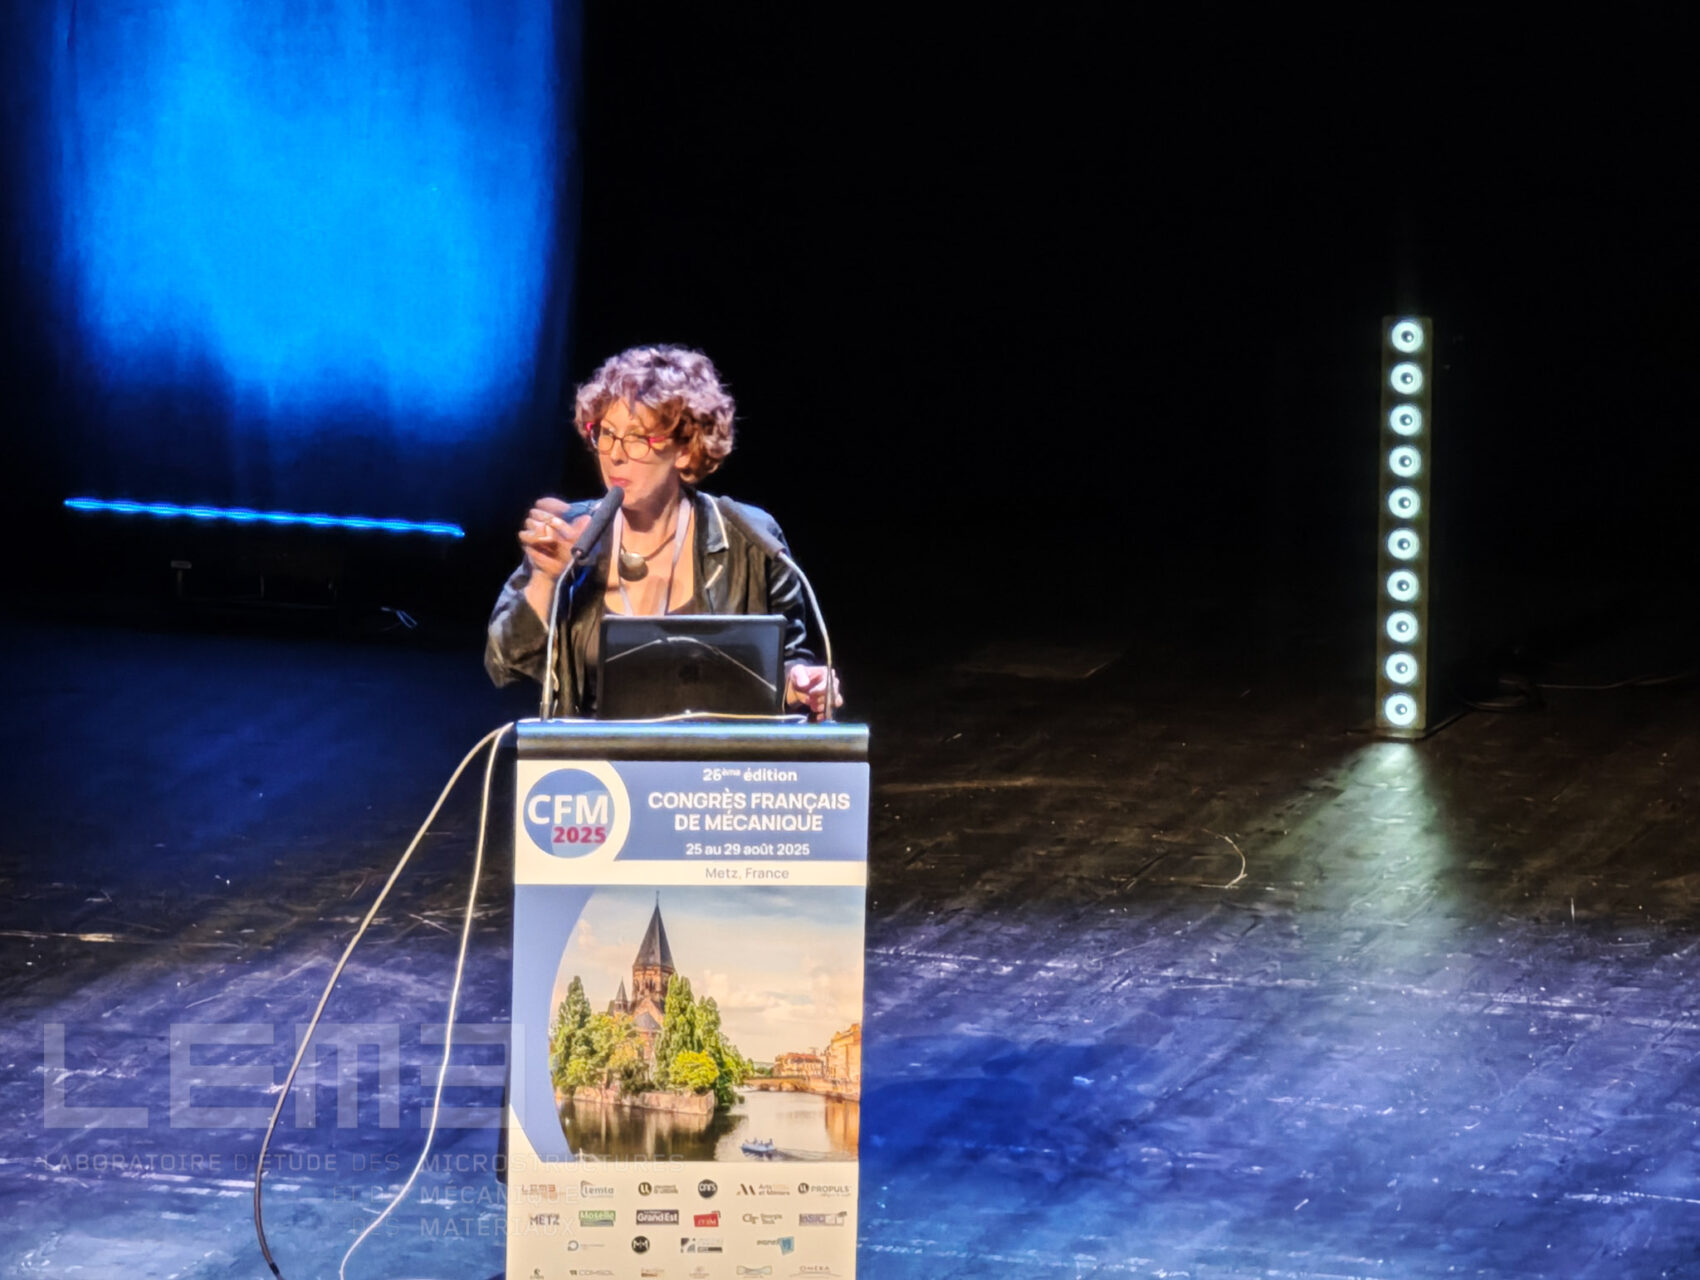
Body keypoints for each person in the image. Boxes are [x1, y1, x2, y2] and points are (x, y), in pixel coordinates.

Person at [484, 344, 840, 717]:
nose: (615, 454)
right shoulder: (572, 533)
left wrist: (802, 683)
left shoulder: (750, 539)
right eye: (606, 433)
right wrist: (546, 580)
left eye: (638, 438)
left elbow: (787, 661)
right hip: (593, 752)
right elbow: (504, 665)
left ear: (685, 449)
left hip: (714, 750)